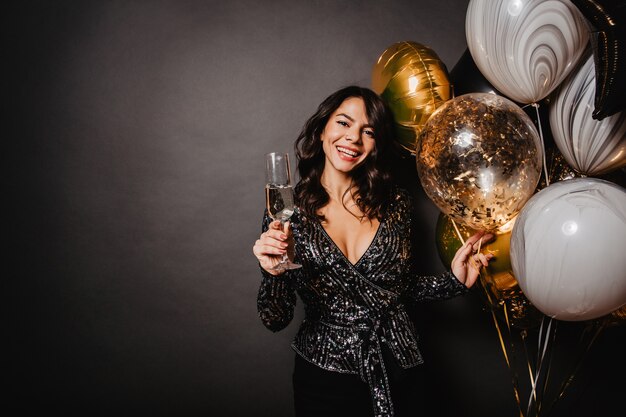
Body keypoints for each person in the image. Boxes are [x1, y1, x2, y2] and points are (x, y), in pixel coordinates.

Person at [252, 86, 493, 417]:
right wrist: (273, 271)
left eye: (368, 131)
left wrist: (453, 281)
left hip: (401, 367)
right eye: (343, 123)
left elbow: (397, 290)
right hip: (323, 381)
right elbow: (275, 318)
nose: (353, 138)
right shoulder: (287, 209)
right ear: (322, 129)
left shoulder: (395, 204)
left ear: (376, 144)